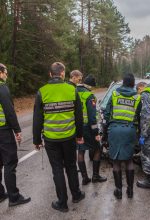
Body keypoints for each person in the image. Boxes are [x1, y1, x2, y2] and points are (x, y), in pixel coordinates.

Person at [33, 62, 85, 212]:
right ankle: (76, 195)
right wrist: (79, 135)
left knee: (57, 170)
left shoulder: (42, 92)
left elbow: (37, 119)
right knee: (71, 166)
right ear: (63, 74)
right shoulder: (71, 90)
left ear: (50, 74)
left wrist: (37, 140)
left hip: (51, 139)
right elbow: (79, 116)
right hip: (69, 137)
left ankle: (62, 203)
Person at [104, 73, 141, 199]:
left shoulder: (114, 94)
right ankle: (130, 191)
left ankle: (118, 190)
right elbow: (140, 116)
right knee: (129, 160)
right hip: (130, 130)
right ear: (133, 83)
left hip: (114, 130)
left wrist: (109, 126)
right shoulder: (137, 97)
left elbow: (107, 113)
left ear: (123, 82)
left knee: (116, 161)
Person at [0, 63, 31, 206]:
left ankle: (0, 194)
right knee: (10, 163)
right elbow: (9, 112)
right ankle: (14, 197)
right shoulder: (2, 88)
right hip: (3, 132)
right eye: (5, 72)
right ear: (0, 73)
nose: (6, 75)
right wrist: (17, 130)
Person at [77, 74, 107, 185]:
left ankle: (85, 178)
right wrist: (96, 132)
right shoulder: (89, 96)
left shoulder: (74, 92)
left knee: (81, 150)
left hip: (76, 127)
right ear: (90, 86)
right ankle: (95, 176)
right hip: (87, 128)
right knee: (98, 149)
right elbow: (92, 118)